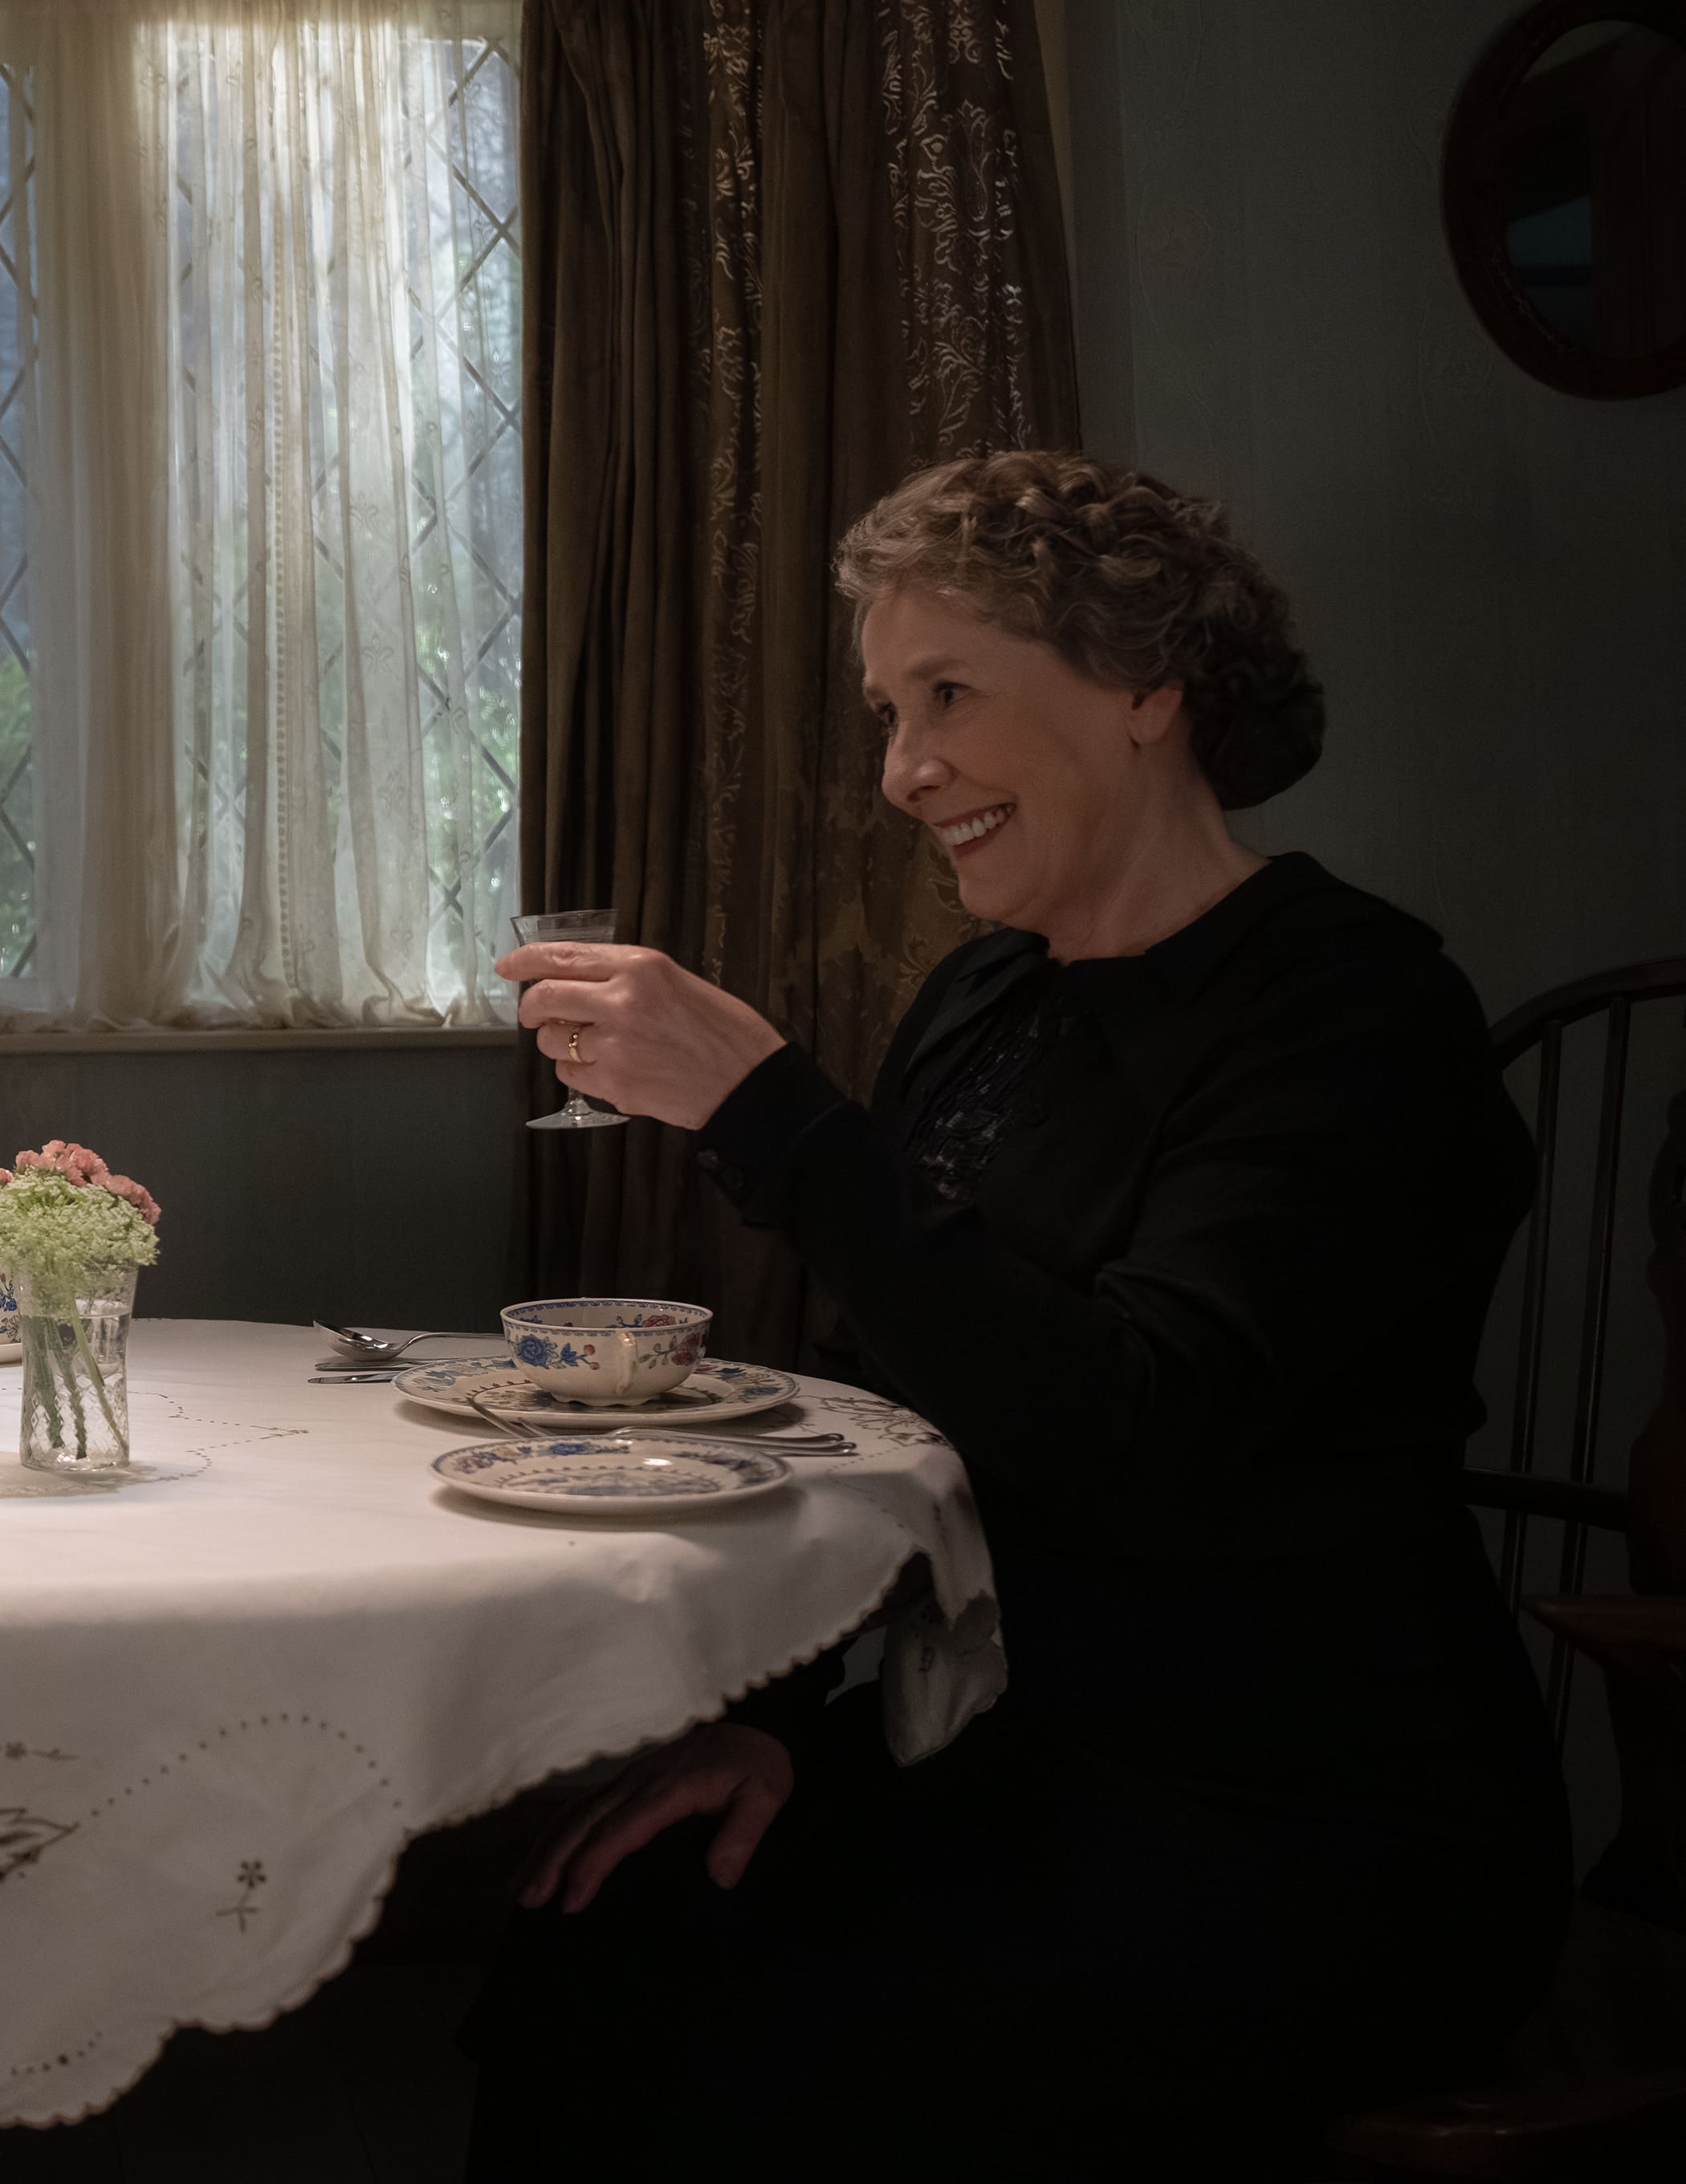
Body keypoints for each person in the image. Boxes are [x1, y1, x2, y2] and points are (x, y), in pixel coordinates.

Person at [471, 453, 1565, 2178]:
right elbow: (886, 1417)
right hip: (1015, 1749)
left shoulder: (1350, 1012)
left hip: (1306, 1813)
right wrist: (784, 1730)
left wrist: (774, 1115)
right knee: (590, 1931)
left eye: (951, 695)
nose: (903, 771)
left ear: (1147, 686)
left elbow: (1133, 1435)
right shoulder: (984, 997)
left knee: (762, 2054)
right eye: (888, 713)